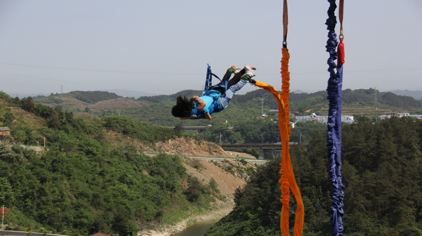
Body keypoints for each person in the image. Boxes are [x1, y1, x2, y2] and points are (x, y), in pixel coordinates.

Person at [171, 65, 256, 119]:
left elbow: (202, 104)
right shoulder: (192, 110)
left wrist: (205, 111)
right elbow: (205, 113)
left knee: (232, 88)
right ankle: (243, 70)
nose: (180, 119)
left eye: (180, 117)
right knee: (229, 83)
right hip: (212, 94)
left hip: (219, 103)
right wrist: (207, 114)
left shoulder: (193, 111)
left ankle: (247, 76)